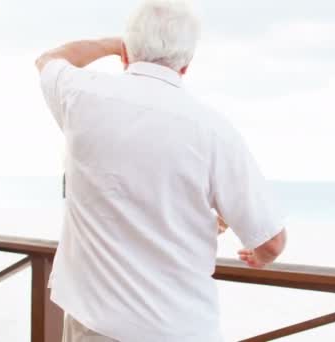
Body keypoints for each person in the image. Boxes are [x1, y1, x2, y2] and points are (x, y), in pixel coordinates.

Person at [35, 0, 286, 341]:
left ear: (127, 50)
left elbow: (49, 59)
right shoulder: (212, 130)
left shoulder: (81, 96)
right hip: (177, 330)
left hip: (92, 326)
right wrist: (256, 254)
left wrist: (116, 44)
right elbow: (270, 244)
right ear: (186, 64)